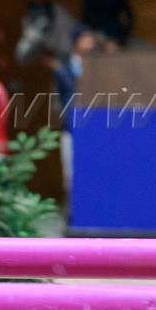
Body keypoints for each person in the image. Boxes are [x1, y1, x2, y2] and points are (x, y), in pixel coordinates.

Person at [43, 24, 97, 198]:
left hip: (94, 122)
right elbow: (60, 92)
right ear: (77, 41)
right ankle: (72, 210)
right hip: (70, 123)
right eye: (85, 38)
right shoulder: (63, 64)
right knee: (70, 170)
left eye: (91, 39)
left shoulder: (100, 63)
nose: (90, 43)